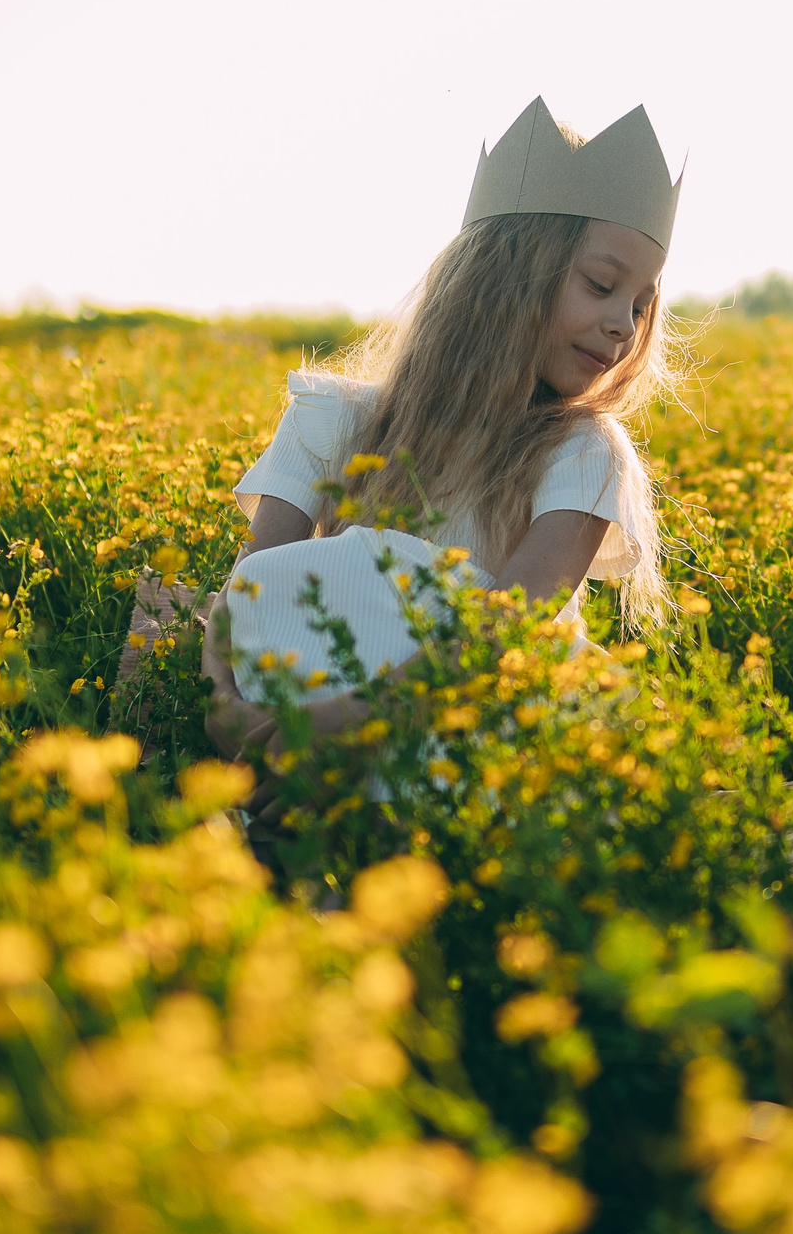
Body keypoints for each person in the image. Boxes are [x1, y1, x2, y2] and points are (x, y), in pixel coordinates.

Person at [203, 97, 680, 760]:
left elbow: (503, 633)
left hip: (483, 730)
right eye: (601, 285)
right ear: (505, 275)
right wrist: (227, 711)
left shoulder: (582, 452)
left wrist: (349, 728)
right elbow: (247, 595)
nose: (624, 325)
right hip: (314, 720)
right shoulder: (331, 418)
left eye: (641, 305)